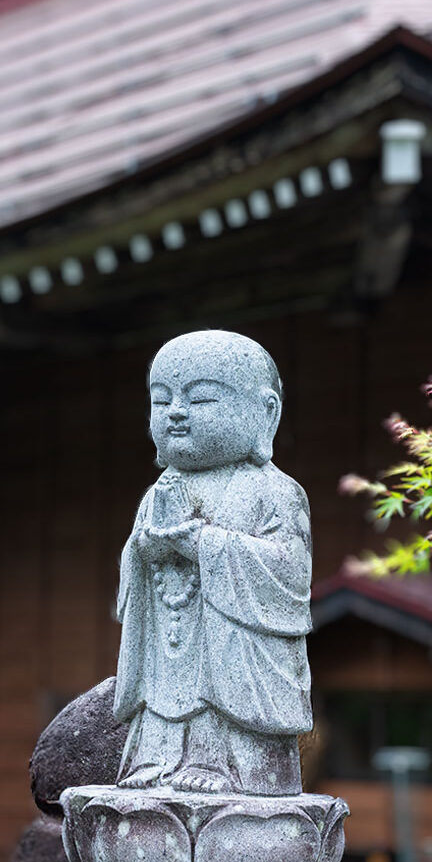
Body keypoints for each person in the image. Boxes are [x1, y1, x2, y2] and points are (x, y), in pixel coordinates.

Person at [112, 330, 313, 794]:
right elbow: (135, 569)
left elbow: (290, 575)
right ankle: (159, 759)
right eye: (161, 401)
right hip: (168, 638)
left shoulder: (273, 491)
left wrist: (203, 543)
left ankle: (225, 764)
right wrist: (144, 552)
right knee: (163, 689)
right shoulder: (158, 492)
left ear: (266, 413)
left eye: (200, 400)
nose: (176, 412)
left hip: (235, 655)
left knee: (217, 684)